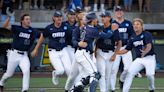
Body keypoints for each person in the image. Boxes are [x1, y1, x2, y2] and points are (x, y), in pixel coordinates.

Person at [0, 13, 40, 92]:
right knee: (9, 74)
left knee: (26, 71)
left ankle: (24, 90)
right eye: (27, 19)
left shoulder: (32, 31)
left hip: (24, 55)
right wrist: (9, 16)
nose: (29, 21)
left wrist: (36, 48)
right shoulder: (17, 28)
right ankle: (1, 83)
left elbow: (42, 35)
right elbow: (4, 26)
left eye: (29, 19)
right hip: (14, 54)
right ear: (22, 21)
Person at [31, 11, 72, 86]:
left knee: (69, 70)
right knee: (60, 71)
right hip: (53, 52)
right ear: (53, 18)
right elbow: (42, 37)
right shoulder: (49, 28)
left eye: (60, 16)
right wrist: (36, 49)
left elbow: (72, 36)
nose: (59, 18)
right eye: (57, 17)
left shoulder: (66, 26)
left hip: (63, 50)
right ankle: (55, 74)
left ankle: (70, 88)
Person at [117, 18, 156, 92]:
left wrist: (145, 52)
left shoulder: (146, 34)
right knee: (130, 73)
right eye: (134, 24)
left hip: (149, 58)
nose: (135, 26)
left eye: (137, 24)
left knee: (150, 75)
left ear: (142, 26)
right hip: (139, 59)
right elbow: (126, 49)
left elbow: (149, 46)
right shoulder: (132, 37)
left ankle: (151, 89)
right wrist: (116, 52)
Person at [96, 11, 121, 92]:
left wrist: (115, 55)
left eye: (105, 16)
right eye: (102, 17)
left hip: (110, 53)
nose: (103, 18)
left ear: (109, 18)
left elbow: (119, 43)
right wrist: (95, 53)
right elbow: (96, 42)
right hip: (100, 52)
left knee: (107, 74)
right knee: (102, 73)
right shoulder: (100, 28)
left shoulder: (114, 28)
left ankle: (105, 90)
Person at [111, 6, 134, 91]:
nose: (119, 12)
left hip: (125, 48)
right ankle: (113, 89)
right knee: (113, 70)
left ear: (123, 12)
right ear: (115, 13)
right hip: (115, 48)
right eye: (117, 10)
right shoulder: (112, 23)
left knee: (128, 68)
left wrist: (129, 45)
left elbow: (132, 35)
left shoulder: (128, 23)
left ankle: (122, 80)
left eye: (120, 10)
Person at [64, 9, 86, 92]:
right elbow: (73, 41)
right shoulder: (75, 28)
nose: (82, 17)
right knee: (72, 73)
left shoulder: (87, 27)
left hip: (84, 52)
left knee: (83, 71)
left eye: (83, 15)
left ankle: (77, 88)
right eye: (80, 15)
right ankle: (68, 89)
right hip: (74, 50)